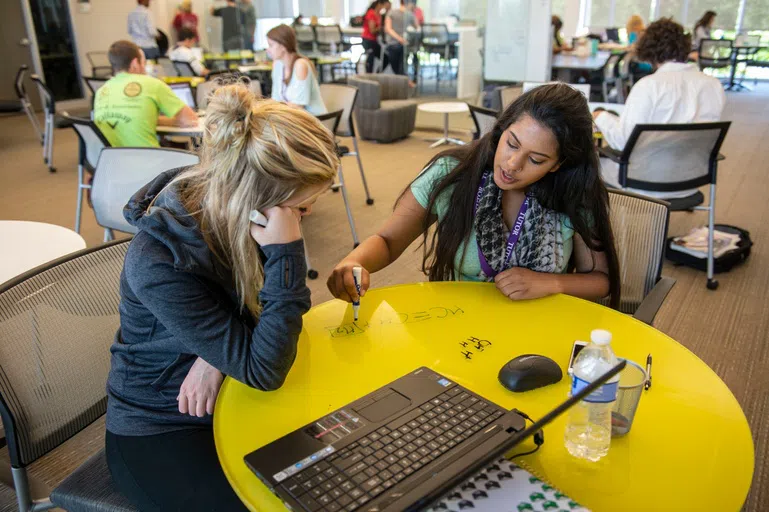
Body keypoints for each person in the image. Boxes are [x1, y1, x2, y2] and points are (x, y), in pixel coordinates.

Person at [105, 84, 340, 511]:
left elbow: (262, 326)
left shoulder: (237, 212)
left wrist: (215, 354)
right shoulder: (158, 261)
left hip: (235, 393)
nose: (303, 220)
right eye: (301, 209)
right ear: (256, 203)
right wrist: (286, 253)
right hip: (161, 422)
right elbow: (264, 367)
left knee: (336, 480)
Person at [328, 84, 620, 308]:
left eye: (536, 160)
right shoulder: (452, 173)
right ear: (501, 130)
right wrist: (354, 262)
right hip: (458, 320)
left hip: (537, 326)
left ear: (558, 164)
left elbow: (600, 280)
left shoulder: (573, 193)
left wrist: (550, 282)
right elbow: (388, 242)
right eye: (512, 144)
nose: (512, 164)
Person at [594, 18, 726, 199]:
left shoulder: (648, 86)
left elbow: (624, 141)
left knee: (586, 164)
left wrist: (600, 116)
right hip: (691, 180)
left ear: (648, 49)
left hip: (642, 182)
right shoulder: (713, 85)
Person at [94, 40, 198, 148]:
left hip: (110, 161)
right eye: (143, 63)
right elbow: (190, 119)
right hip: (148, 160)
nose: (145, 69)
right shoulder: (152, 84)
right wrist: (164, 120)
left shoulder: (101, 90)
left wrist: (150, 118)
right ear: (135, 63)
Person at [267, 24, 327, 116]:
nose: (268, 50)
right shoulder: (277, 65)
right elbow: (275, 99)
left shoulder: (300, 65)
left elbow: (298, 106)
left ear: (283, 46)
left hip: (314, 121)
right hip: (293, 119)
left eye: (271, 45)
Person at [385, 0, 417, 80]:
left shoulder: (391, 12)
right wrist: (400, 39)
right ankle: (407, 79)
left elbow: (388, 29)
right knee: (408, 53)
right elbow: (417, 27)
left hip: (394, 45)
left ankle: (403, 78)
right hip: (401, 45)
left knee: (402, 53)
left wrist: (400, 39)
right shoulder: (409, 14)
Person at [362, 0, 391, 73]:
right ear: (380, 4)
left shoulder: (379, 15)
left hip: (374, 41)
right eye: (385, 6)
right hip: (368, 40)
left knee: (386, 59)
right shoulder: (371, 13)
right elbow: (372, 30)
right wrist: (381, 28)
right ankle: (369, 76)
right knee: (371, 58)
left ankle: (377, 75)